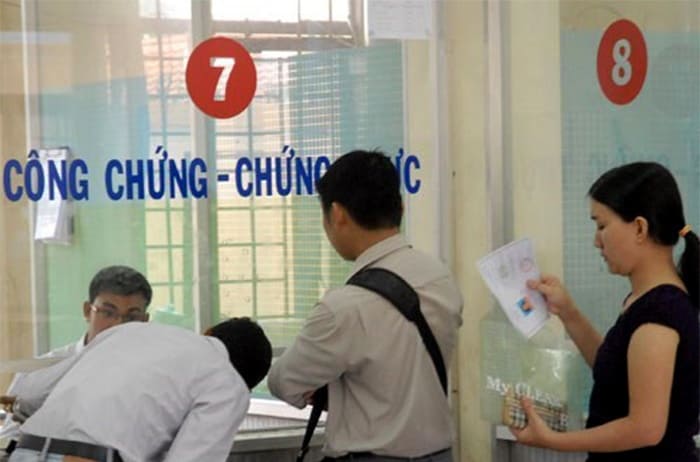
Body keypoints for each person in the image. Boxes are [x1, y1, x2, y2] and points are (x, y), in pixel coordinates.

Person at [267, 150, 463, 461]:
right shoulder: (440, 278)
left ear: (337, 214)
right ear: (400, 207)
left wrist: (331, 387)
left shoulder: (343, 308)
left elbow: (284, 382)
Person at [513, 162, 699, 461]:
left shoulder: (660, 315)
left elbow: (645, 428)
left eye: (602, 226)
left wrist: (552, 440)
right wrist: (568, 312)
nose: (596, 241)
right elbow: (613, 369)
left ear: (640, 228)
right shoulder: (645, 301)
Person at [9, 317, 272, 462]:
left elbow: (31, 392)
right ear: (246, 383)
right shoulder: (228, 384)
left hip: (27, 451)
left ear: (208, 332)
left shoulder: (128, 331)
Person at [4, 265, 152, 419]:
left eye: (132, 317)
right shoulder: (38, 376)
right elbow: (11, 433)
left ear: (145, 321)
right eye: (108, 313)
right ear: (87, 311)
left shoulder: (155, 377)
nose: (118, 325)